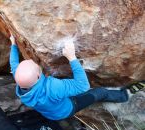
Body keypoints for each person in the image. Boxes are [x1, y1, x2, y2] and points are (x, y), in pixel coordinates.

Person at [9, 34, 145, 120]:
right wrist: (72, 57)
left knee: (64, 89)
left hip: (50, 113)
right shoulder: (53, 87)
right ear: (38, 76)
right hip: (67, 109)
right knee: (99, 92)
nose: (35, 62)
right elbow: (82, 86)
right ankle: (124, 96)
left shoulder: (22, 83)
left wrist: (13, 44)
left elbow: (14, 63)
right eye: (35, 64)